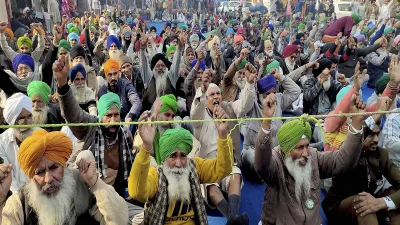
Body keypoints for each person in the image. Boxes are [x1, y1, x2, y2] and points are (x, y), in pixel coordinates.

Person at [254, 90, 367, 225]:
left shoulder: (313, 156)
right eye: (299, 148)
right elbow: (262, 166)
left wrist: (356, 124)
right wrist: (266, 122)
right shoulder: (276, 161)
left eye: (307, 145)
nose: (305, 153)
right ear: (285, 149)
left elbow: (344, 162)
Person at [53, 56, 143, 221]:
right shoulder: (91, 128)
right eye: (108, 116)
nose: (113, 120)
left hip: (114, 198)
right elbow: (74, 115)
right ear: (101, 116)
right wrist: (63, 85)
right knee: (84, 156)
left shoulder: (125, 134)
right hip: (86, 197)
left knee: (144, 217)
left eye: (117, 115)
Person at [128, 107, 237, 224]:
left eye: (183, 156)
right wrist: (145, 148)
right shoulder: (155, 176)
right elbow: (136, 193)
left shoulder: (195, 167)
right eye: (173, 156)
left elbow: (223, 169)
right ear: (164, 158)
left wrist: (222, 134)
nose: (179, 163)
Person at [0, 130, 129, 225]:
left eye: (54, 168)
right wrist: (1, 197)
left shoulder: (81, 187)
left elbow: (120, 221)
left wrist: (95, 183)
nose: (48, 179)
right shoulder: (19, 204)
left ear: (64, 165)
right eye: (39, 172)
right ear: (31, 176)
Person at [322, 99, 400, 225]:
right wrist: (379, 113)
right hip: (341, 208)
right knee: (363, 203)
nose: (376, 140)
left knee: (394, 195)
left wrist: (384, 202)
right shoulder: (348, 151)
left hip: (372, 204)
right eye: (371, 135)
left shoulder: (381, 154)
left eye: (377, 135)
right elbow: (358, 130)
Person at [0, 93, 38, 192]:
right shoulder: (2, 142)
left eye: (29, 116)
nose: (27, 122)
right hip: (14, 196)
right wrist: (20, 199)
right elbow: (8, 176)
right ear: (12, 121)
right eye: (21, 118)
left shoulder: (41, 135)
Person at [98, 59, 142, 123]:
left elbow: (137, 103)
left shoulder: (126, 85)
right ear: (105, 76)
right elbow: (101, 113)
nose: (113, 78)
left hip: (126, 121)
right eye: (110, 75)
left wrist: (130, 116)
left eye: (115, 74)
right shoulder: (102, 91)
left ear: (119, 73)